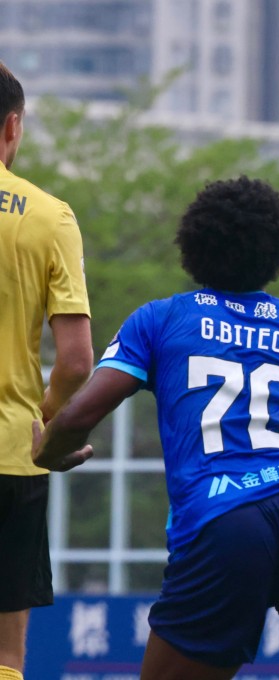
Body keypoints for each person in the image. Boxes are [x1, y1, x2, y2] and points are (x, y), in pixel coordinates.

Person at [33, 176, 279, 680]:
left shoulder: (161, 320)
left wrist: (50, 451)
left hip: (222, 520)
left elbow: (77, 417)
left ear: (193, 244)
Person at [0, 61, 93, 680]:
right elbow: (78, 360)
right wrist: (47, 421)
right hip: (10, 453)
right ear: (12, 127)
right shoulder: (48, 216)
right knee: (6, 655)